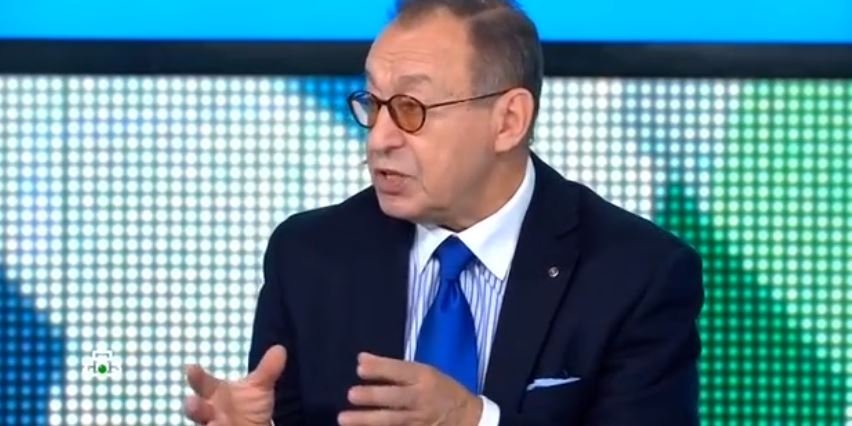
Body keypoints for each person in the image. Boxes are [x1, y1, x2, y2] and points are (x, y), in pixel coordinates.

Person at [183, 0, 704, 425]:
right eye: (374, 104)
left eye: (411, 109)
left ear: (509, 121)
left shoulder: (636, 274)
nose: (379, 140)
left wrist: (474, 421)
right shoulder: (310, 257)